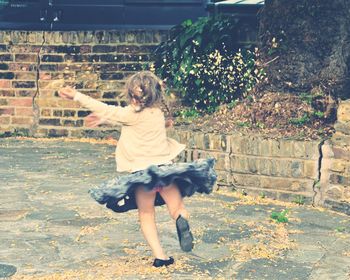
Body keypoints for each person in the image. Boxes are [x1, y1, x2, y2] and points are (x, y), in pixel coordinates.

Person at [59, 71, 216, 268]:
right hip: (165, 172)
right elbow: (133, 121)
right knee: (177, 208)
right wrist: (106, 119)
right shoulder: (157, 114)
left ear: (132, 96)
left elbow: (107, 109)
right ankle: (181, 220)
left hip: (143, 177)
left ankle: (161, 257)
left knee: (146, 214)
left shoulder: (130, 115)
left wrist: (76, 96)